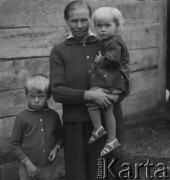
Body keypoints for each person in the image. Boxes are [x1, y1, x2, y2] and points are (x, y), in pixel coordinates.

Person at [50, 1, 127, 180]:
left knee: (106, 173)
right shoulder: (59, 51)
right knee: (78, 174)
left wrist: (116, 97)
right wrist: (89, 95)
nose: (79, 26)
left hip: (108, 122)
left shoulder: (108, 44)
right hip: (75, 124)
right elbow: (57, 91)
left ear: (90, 20)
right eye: (73, 21)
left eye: (84, 20)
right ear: (66, 21)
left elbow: (124, 74)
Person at [88, 7, 130, 157]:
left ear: (117, 26)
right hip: (114, 82)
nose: (102, 30)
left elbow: (113, 59)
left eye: (107, 25)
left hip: (114, 81)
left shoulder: (115, 42)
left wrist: (101, 60)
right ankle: (111, 139)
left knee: (92, 97)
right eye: (99, 26)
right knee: (107, 110)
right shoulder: (108, 40)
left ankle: (98, 127)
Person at [11, 74, 63, 180]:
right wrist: (27, 163)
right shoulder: (21, 117)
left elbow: (61, 136)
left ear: (48, 96)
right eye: (31, 96)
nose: (36, 100)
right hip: (27, 169)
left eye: (41, 96)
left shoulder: (54, 116)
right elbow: (14, 144)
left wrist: (56, 148)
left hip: (49, 168)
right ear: (26, 95)